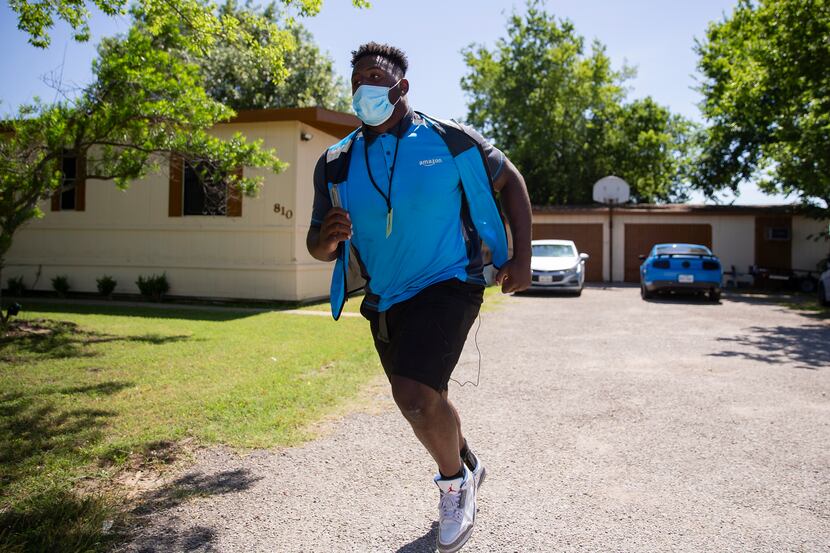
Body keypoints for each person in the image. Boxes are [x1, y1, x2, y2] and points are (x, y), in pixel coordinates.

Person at [306, 42, 531, 553]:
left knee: (411, 395)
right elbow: (316, 244)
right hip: (384, 297)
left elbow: (510, 181)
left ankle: (455, 488)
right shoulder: (335, 162)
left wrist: (522, 258)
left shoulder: (449, 140)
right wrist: (327, 239)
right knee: (429, 394)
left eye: (374, 78)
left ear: (400, 87)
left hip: (451, 281)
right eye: (356, 80)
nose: (364, 88)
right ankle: (469, 462)